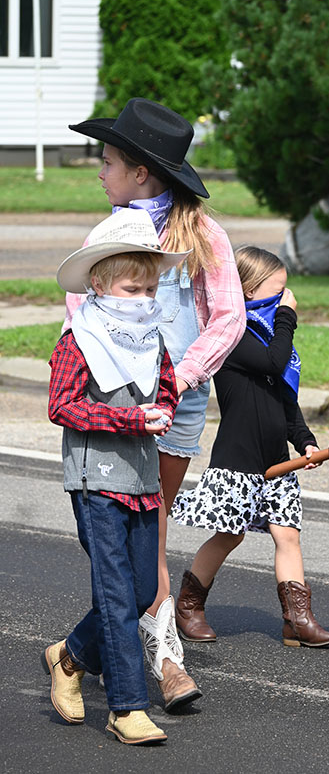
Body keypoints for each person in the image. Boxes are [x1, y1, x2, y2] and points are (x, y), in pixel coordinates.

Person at [64, 98, 246, 711]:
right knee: (130, 543)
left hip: (176, 409)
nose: (100, 173)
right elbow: (79, 323)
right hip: (115, 412)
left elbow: (228, 317)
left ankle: (102, 655)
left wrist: (183, 377)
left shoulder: (203, 234)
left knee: (150, 530)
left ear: (140, 172)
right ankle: (158, 659)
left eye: (108, 162)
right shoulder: (106, 238)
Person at [44, 209, 187, 744]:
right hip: (95, 479)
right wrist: (128, 420)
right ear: (99, 286)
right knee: (116, 592)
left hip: (142, 477)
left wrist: (164, 410)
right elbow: (62, 406)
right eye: (132, 288)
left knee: (143, 588)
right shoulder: (78, 340)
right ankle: (127, 708)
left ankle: (70, 657)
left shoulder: (152, 340)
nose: (143, 297)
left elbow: (166, 388)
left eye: (150, 288)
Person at [170, 246, 329, 648]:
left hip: (275, 460)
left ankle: (298, 620)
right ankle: (188, 607)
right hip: (237, 458)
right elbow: (272, 363)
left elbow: (284, 399)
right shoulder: (232, 334)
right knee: (230, 535)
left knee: (288, 535)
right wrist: (287, 318)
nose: (285, 299)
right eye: (277, 292)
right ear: (247, 291)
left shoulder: (269, 337)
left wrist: (305, 440)